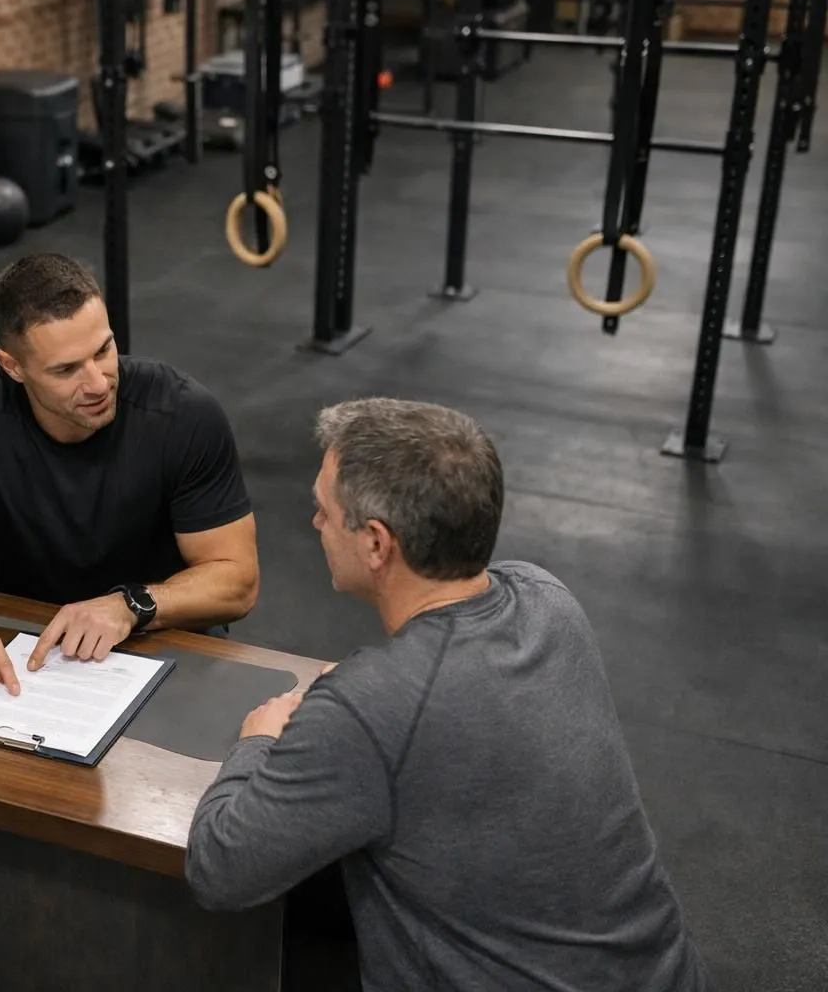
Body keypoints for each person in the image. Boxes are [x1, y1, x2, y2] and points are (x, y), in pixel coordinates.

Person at [184, 397, 707, 991]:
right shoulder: (548, 600)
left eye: (323, 510)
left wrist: (258, 741)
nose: (315, 525)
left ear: (377, 544)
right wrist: (366, 703)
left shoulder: (371, 706)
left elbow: (218, 870)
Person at [0, 252, 259, 695]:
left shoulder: (184, 415)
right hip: (33, 643)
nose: (99, 383)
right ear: (12, 366)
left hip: (161, 629)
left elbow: (237, 580)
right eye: (66, 369)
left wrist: (129, 605)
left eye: (103, 350)